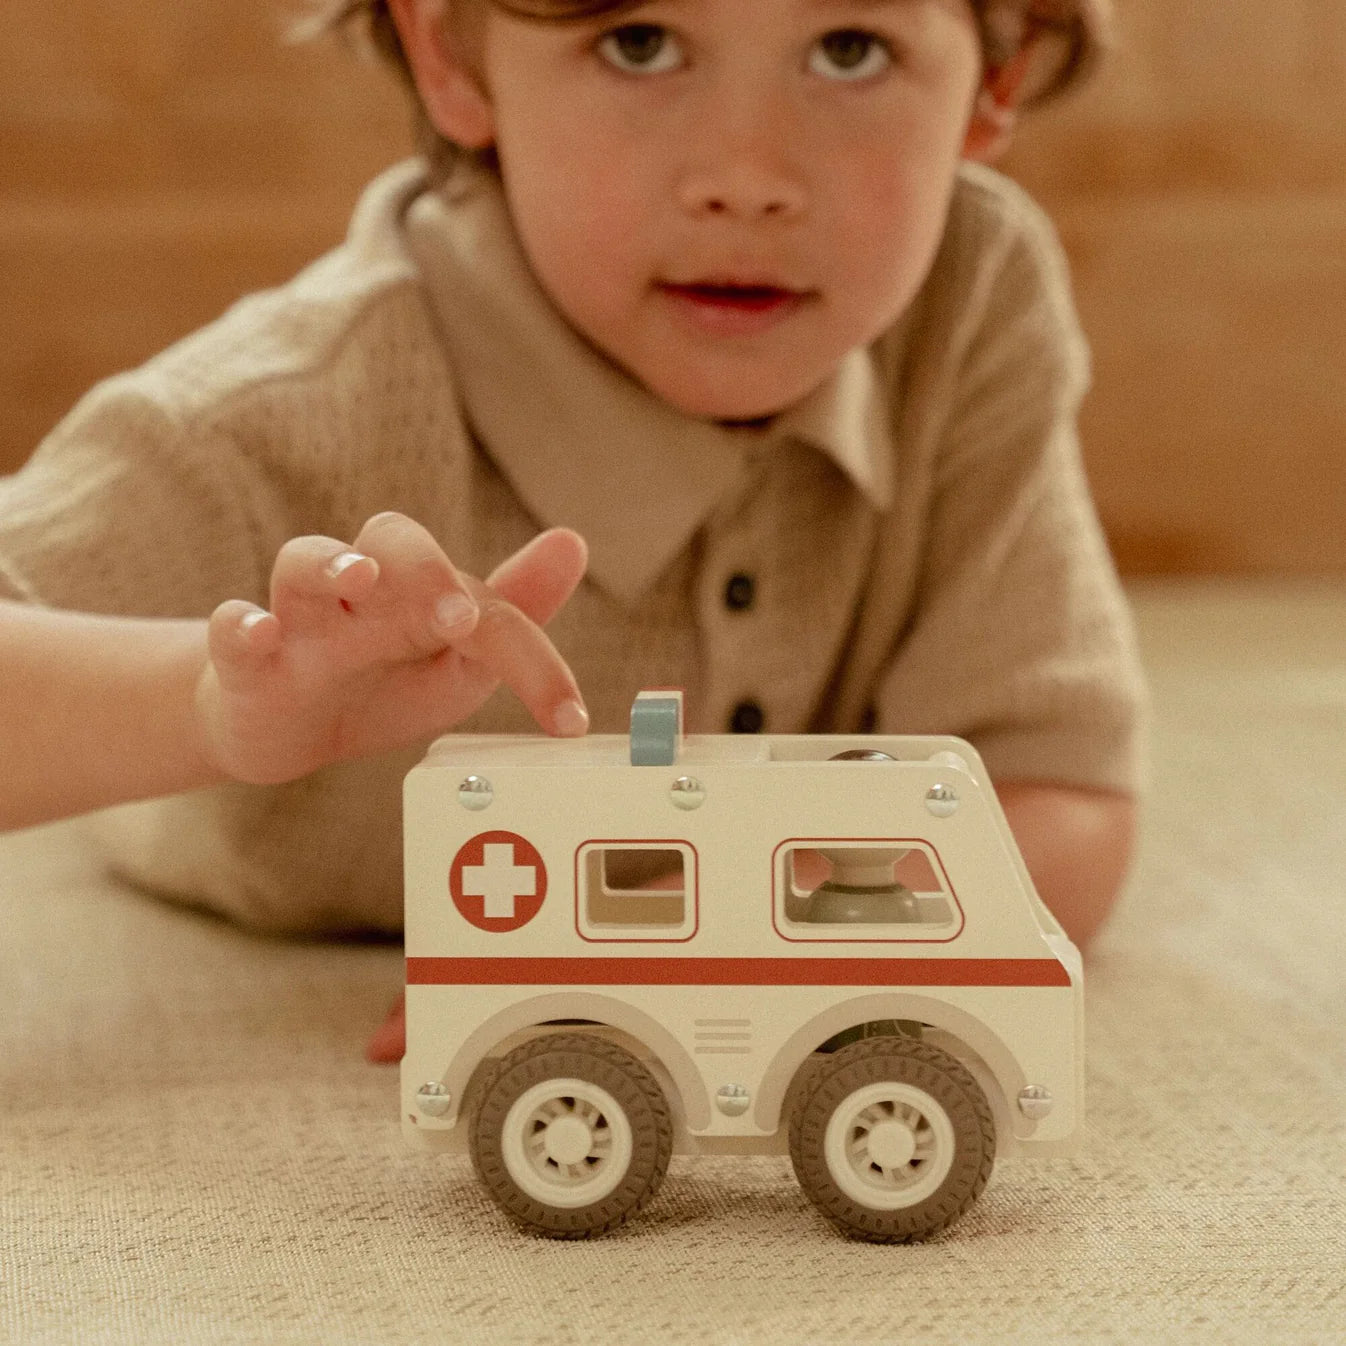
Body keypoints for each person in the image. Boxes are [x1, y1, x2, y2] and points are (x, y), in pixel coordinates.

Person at [0, 0, 1144, 1062]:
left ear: (995, 80)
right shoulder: (283, 412)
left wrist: (705, 951)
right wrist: (209, 707)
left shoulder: (968, 295)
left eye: (848, 48)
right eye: (638, 42)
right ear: (450, 54)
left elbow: (1061, 794)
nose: (745, 178)